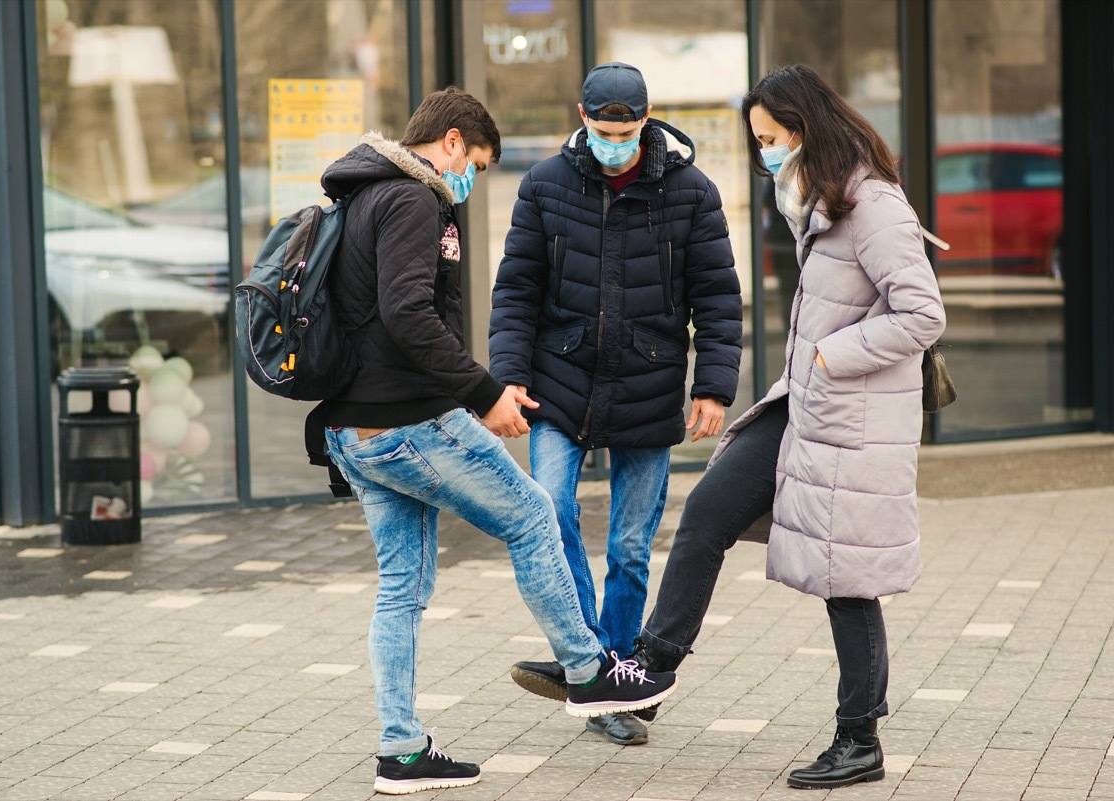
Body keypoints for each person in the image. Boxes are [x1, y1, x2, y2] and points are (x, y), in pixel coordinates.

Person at [315, 87, 678, 796]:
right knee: (534, 514)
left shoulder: (359, 194)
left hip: (355, 432)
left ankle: (401, 751)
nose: (471, 181)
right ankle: (587, 671)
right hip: (413, 421)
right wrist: (484, 393)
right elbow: (408, 313)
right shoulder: (413, 198)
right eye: (475, 166)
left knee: (401, 589)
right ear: (451, 141)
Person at [629, 64, 948, 789]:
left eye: (770, 139)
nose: (763, 153)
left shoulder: (872, 204)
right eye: (758, 141)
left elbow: (922, 313)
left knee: (847, 578)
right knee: (707, 511)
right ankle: (652, 667)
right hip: (804, 406)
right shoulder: (822, 202)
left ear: (806, 130)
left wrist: (834, 353)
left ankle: (859, 739)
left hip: (853, 420)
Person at [489, 62, 743, 746]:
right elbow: (515, 291)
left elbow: (718, 297)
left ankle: (618, 673)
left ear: (647, 119)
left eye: (626, 134)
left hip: (648, 385)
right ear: (583, 118)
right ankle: (592, 662)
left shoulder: (691, 192)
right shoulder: (544, 185)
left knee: (630, 546)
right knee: (550, 513)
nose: (614, 144)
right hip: (559, 382)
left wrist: (714, 386)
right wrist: (506, 377)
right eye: (603, 131)